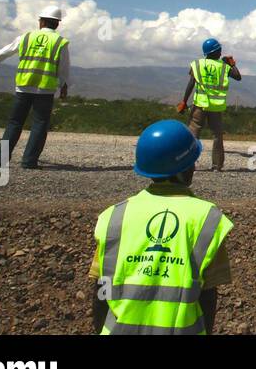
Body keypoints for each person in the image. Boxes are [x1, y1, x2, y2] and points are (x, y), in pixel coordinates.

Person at [90, 120, 233, 334]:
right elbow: (207, 297)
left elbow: (102, 289)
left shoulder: (114, 217)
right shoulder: (206, 220)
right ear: (186, 168)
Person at [0, 3, 70, 170]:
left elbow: (8, 50)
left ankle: (0, 161)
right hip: (45, 89)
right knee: (40, 124)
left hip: (24, 86)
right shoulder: (60, 42)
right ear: (57, 23)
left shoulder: (26, 37)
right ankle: (29, 162)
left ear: (41, 22)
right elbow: (64, 67)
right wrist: (64, 86)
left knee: (14, 123)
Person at [177, 38, 241, 172]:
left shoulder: (198, 64)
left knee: (193, 134)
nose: (221, 52)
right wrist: (232, 64)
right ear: (216, 51)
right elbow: (238, 77)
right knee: (217, 136)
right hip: (216, 107)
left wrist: (184, 101)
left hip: (199, 105)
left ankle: (189, 164)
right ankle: (217, 166)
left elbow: (191, 83)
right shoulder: (223, 67)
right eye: (219, 50)